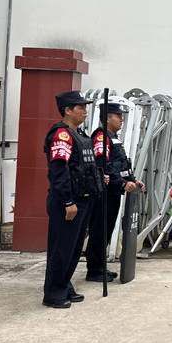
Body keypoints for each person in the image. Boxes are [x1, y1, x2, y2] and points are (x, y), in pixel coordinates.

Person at [42, 91, 103, 308]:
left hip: (83, 200)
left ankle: (64, 286)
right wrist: (68, 202)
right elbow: (59, 171)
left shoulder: (79, 134)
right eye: (80, 107)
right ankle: (53, 294)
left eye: (85, 107)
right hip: (68, 202)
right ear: (67, 110)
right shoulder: (62, 135)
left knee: (74, 249)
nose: (85, 111)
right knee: (61, 249)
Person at [86, 102, 145, 283]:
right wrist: (121, 184)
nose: (121, 119)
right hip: (103, 192)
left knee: (107, 230)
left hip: (113, 192)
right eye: (117, 116)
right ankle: (94, 270)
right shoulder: (101, 138)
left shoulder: (113, 138)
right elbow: (103, 166)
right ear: (107, 118)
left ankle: (100, 266)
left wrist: (133, 180)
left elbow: (121, 165)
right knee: (99, 230)